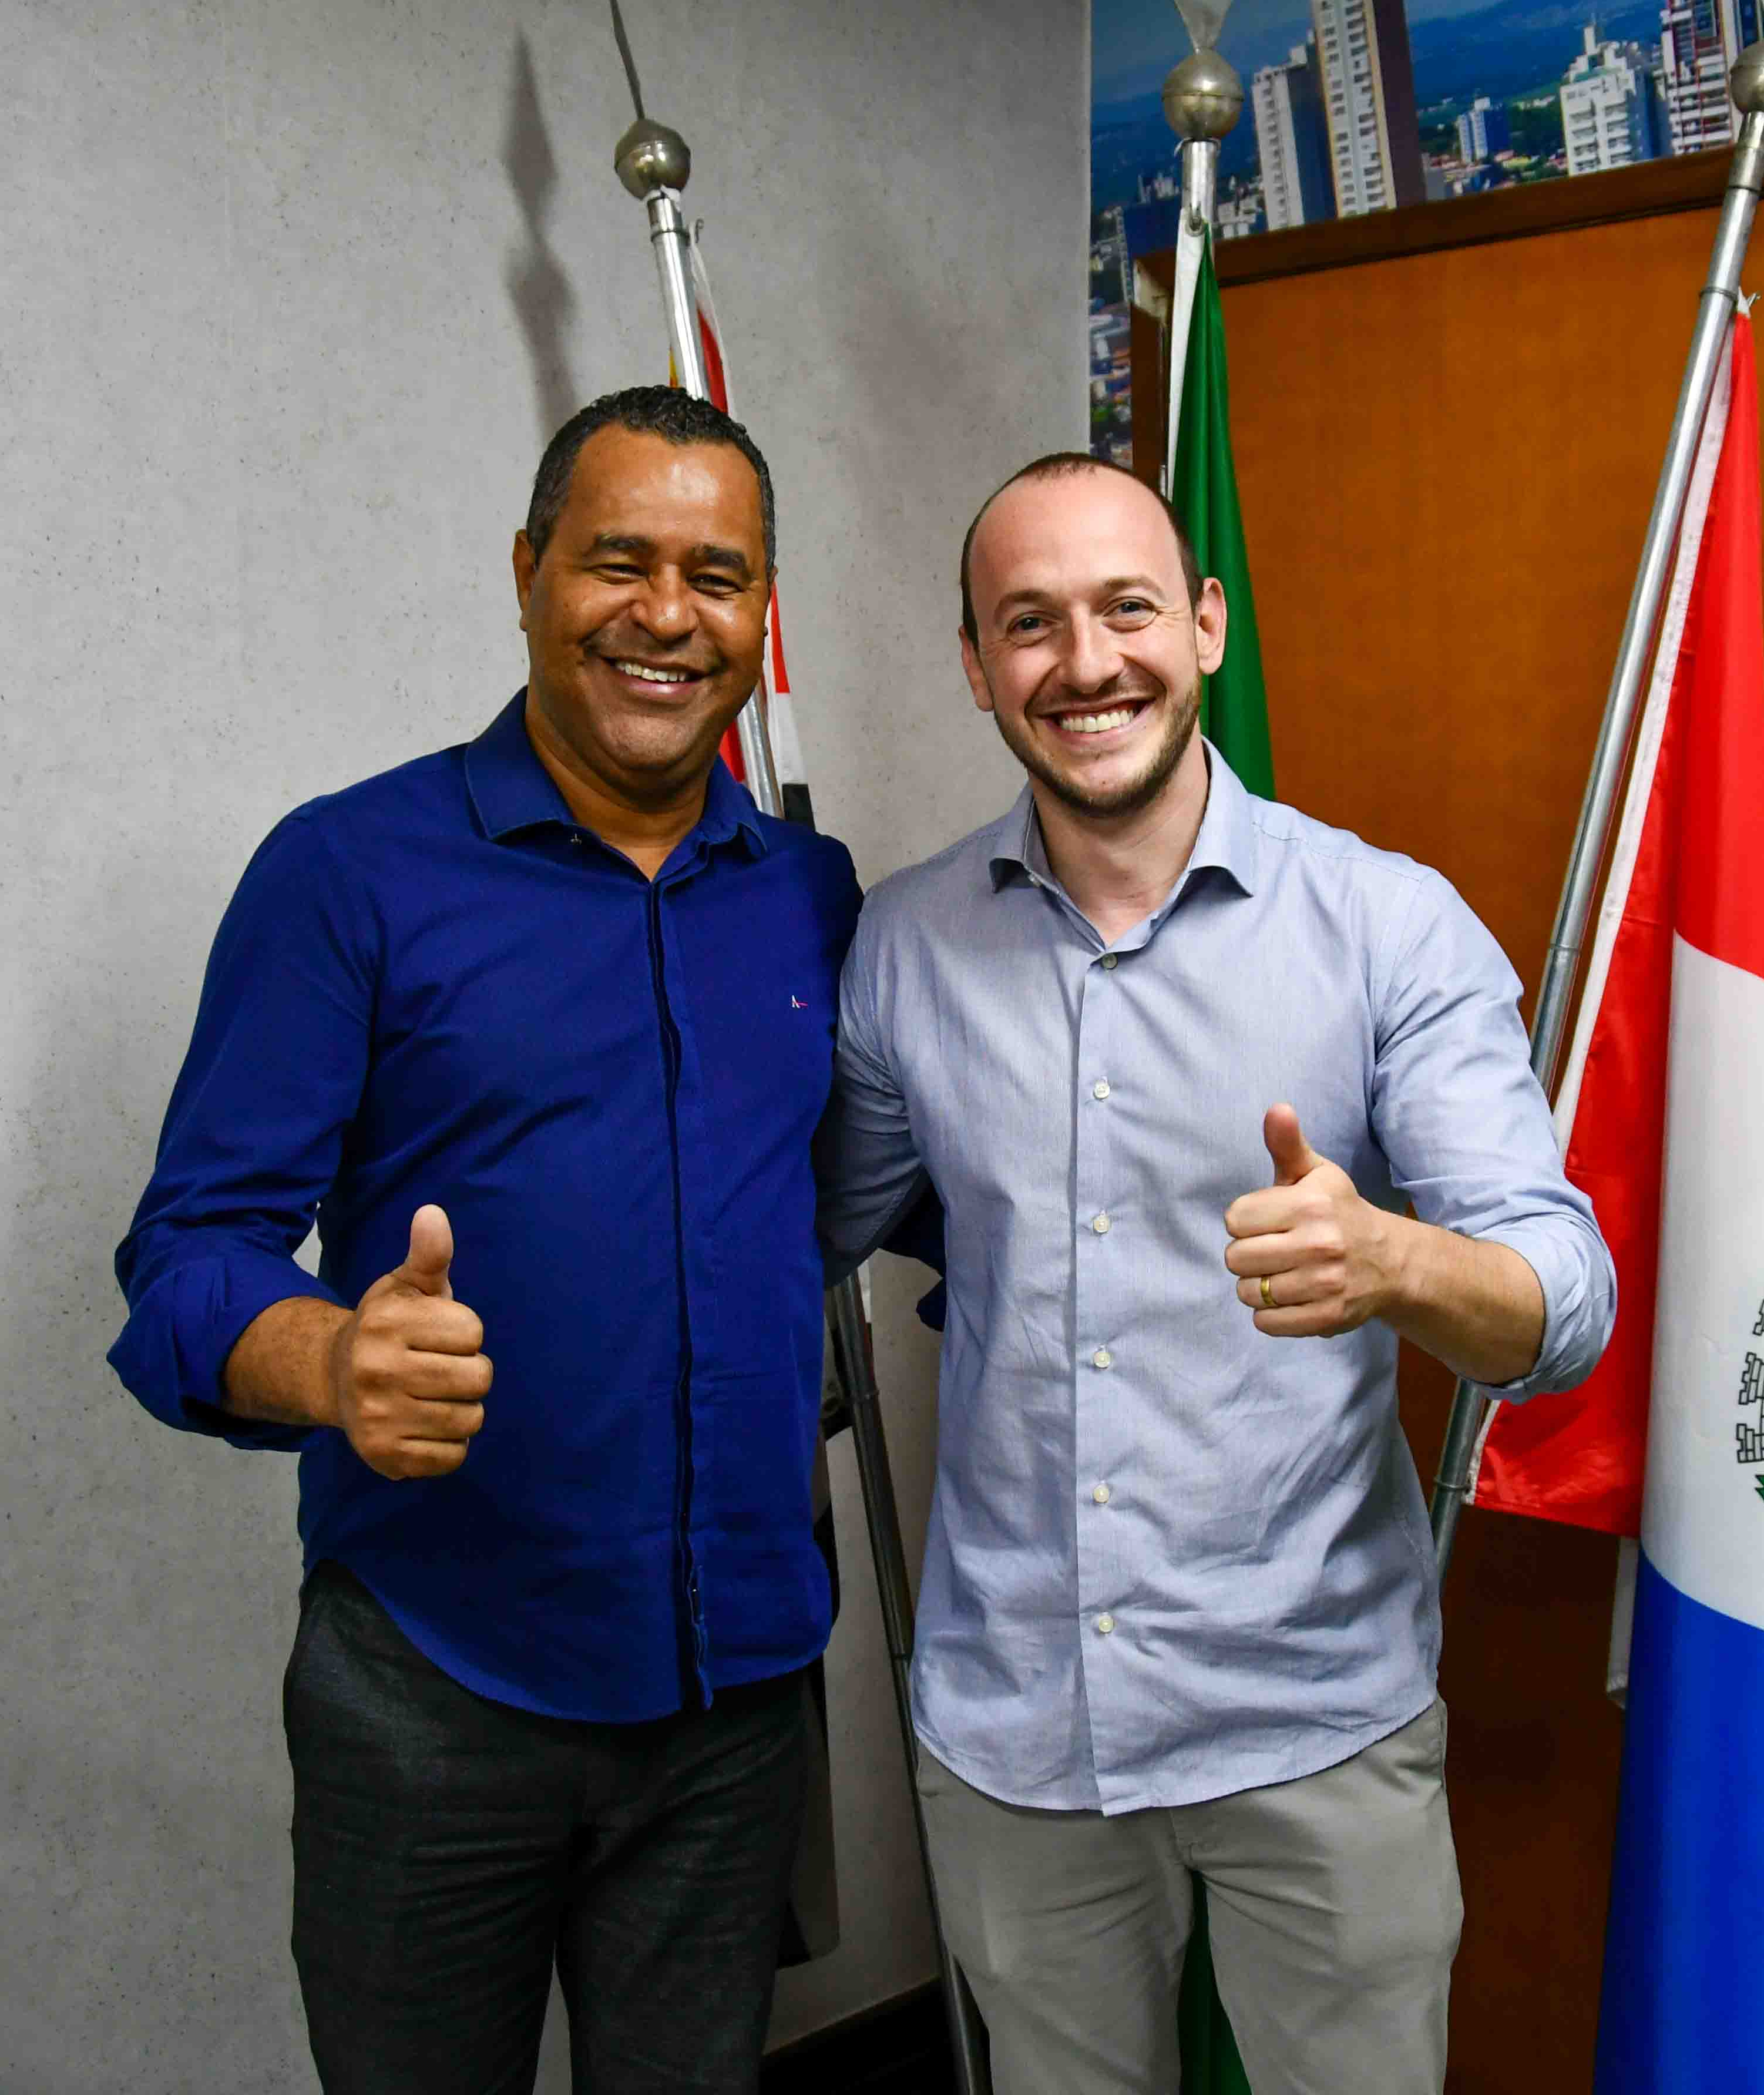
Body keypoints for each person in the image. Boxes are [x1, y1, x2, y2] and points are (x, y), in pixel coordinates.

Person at [819, 452, 1615, 2094]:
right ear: (976, 666)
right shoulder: (900, 950)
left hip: (1311, 1720)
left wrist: (1391, 1258)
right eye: (1027, 624)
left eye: (1125, 607)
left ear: (1207, 624)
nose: (1084, 661)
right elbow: (817, 1233)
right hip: (1017, 1732)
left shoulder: (1387, 926)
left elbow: (1565, 1297)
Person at [109, 386, 856, 2094]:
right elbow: (190, 1250)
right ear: (528, 573)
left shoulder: (809, 896)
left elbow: (907, 1179)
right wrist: (330, 1357)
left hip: (736, 1697)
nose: (667, 614)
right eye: (618, 562)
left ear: (760, 616)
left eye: (718, 575)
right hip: (436, 1699)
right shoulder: (349, 872)